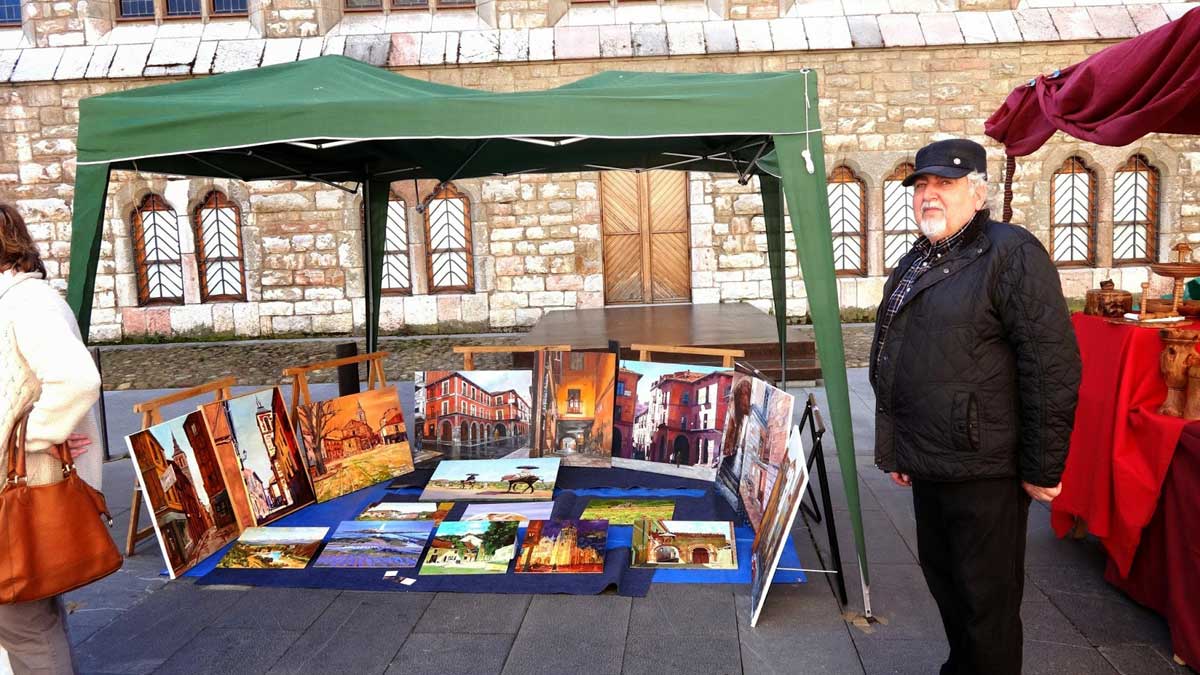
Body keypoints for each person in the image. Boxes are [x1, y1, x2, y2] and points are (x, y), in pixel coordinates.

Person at [869, 139, 1081, 675]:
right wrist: (898, 448)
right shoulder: (917, 258)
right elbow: (896, 354)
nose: (928, 196)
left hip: (985, 467)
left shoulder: (1010, 252)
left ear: (977, 193)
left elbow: (1050, 364)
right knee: (947, 585)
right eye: (921, 186)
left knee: (987, 602)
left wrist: (1043, 467)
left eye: (944, 184)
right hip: (930, 460)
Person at [0, 203, 104, 675]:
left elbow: (77, 381)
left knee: (22, 618)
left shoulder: (28, 302)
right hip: (16, 486)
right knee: (26, 610)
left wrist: (26, 439)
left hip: (19, 488)